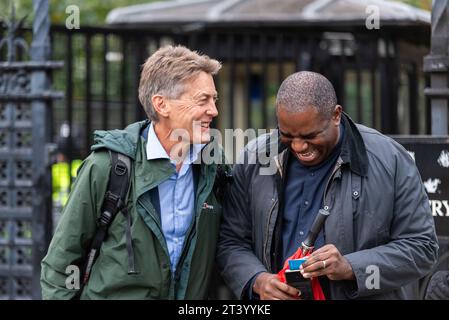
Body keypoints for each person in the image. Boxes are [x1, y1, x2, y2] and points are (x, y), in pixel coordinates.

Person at [217, 71, 439, 300]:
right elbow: (230, 241)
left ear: (336, 115)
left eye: (310, 135)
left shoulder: (390, 159)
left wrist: (351, 267)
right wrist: (257, 280)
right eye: (287, 135)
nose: (298, 146)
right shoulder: (254, 159)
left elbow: (422, 248)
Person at [41, 45, 225, 299]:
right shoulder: (107, 167)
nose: (213, 110)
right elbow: (60, 264)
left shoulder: (214, 167)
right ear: (161, 104)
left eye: (214, 99)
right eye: (203, 100)